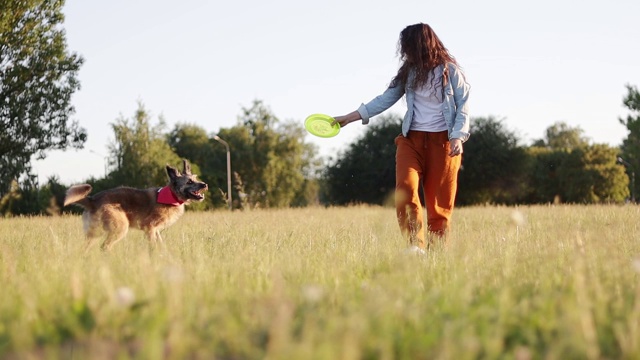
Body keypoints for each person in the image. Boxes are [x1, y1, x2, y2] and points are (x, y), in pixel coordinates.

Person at [332, 23, 470, 251]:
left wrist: (458, 136)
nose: (404, 52)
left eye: (408, 46)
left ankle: (437, 256)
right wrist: (350, 117)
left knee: (439, 205)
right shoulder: (409, 72)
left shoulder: (450, 70)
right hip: (411, 141)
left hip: (444, 142)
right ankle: (415, 247)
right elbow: (385, 99)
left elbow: (463, 104)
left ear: (422, 45)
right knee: (405, 189)